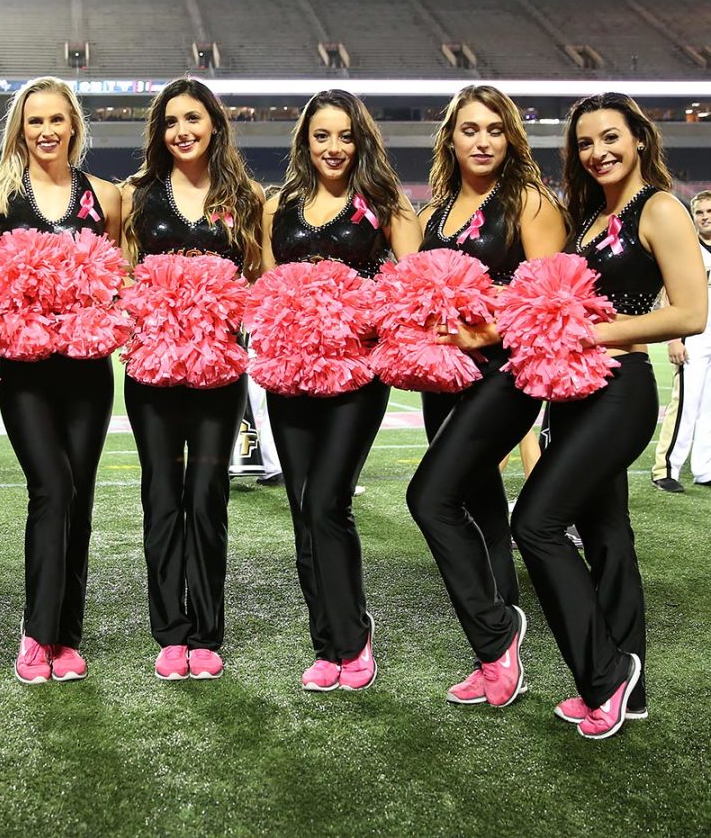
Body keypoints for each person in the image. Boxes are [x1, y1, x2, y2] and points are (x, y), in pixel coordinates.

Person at [512, 93, 706, 739]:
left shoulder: (660, 208)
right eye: (586, 143)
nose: (599, 152)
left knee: (535, 522)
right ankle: (631, 690)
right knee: (607, 538)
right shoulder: (596, 214)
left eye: (611, 138)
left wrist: (595, 334)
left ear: (640, 138)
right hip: (575, 391)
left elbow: (691, 313)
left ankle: (604, 673)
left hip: (621, 388)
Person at [406, 84, 567, 709]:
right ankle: (498, 660)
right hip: (447, 375)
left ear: (511, 137)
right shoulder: (437, 209)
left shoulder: (528, 202)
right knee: (480, 508)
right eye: (469, 129)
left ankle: (498, 630)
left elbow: (551, 299)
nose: (482, 140)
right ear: (451, 137)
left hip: (506, 374)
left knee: (429, 497)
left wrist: (486, 328)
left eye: (495, 129)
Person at [259, 89, 421, 691]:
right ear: (305, 141)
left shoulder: (385, 204)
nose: (333, 147)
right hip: (291, 375)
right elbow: (270, 282)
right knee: (304, 509)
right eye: (321, 135)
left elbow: (414, 291)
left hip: (358, 374)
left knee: (328, 500)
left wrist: (366, 314)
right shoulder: (283, 204)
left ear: (362, 141)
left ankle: (353, 638)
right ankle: (325, 640)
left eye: (345, 136)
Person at [0, 76, 122, 684]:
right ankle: (37, 634)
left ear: (74, 126)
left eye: (58, 120)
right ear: (20, 129)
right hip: (28, 371)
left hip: (88, 370)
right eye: (35, 121)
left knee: (79, 499)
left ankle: (68, 634)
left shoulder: (107, 196)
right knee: (51, 490)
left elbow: (116, 279)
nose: (47, 131)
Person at [120, 77, 263, 681]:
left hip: (217, 371)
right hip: (151, 369)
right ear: (160, 131)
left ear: (214, 126)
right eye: (171, 121)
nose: (183, 131)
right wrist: (156, 304)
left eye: (194, 119)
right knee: (161, 496)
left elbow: (256, 278)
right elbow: (120, 275)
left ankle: (206, 631)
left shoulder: (246, 195)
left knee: (207, 498)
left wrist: (219, 309)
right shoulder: (136, 195)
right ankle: (169, 631)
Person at [651, 190, 711, 492]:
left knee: (710, 405)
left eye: (710, 211)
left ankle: (704, 468)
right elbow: (668, 293)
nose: (706, 217)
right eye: (700, 212)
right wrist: (674, 339)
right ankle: (666, 468)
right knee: (685, 403)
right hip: (694, 336)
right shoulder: (689, 249)